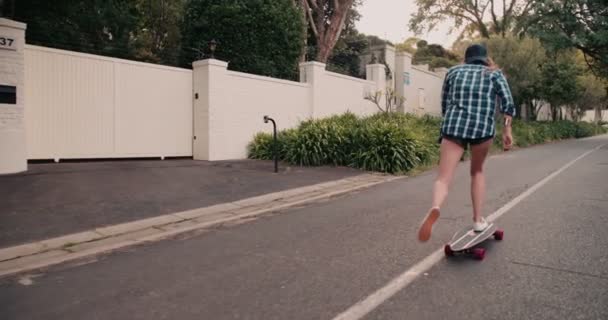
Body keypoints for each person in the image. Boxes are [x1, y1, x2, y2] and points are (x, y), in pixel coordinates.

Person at [417, 44, 515, 242]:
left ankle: (436, 206)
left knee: (443, 178)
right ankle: (478, 220)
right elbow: (508, 105)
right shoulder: (494, 74)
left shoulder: (453, 72)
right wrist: (507, 130)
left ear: (466, 58)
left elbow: (444, 103)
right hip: (482, 129)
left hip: (454, 127)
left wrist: (449, 124)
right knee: (476, 172)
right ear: (485, 58)